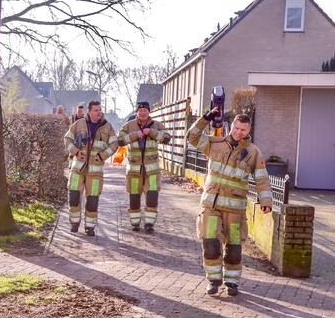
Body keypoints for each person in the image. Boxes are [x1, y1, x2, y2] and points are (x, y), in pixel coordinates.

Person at [187, 107, 272, 297]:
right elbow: (191, 137)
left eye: (243, 129)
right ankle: (213, 280)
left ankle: (232, 283)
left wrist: (265, 200)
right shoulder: (215, 143)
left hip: (235, 211)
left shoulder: (253, 153)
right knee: (210, 244)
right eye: (236, 128)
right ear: (231, 126)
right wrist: (206, 118)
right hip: (211, 206)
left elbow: (262, 179)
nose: (238, 132)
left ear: (249, 131)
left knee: (234, 248)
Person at [63, 100, 116, 236]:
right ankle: (74, 223)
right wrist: (75, 151)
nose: (99, 112)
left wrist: (103, 155)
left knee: (92, 200)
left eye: (100, 110)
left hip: (95, 172)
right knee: (74, 196)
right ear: (89, 111)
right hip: (77, 169)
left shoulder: (107, 127)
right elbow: (67, 139)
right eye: (96, 110)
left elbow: (114, 144)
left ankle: (90, 227)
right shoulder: (79, 124)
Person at [117, 101, 171, 233]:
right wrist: (136, 135)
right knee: (134, 197)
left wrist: (151, 132)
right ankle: (135, 223)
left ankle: (149, 224)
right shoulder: (128, 126)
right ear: (137, 112)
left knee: (152, 198)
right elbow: (119, 141)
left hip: (152, 171)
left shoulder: (157, 125)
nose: (142, 112)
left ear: (149, 111)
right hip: (134, 171)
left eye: (145, 110)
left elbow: (167, 138)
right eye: (140, 110)